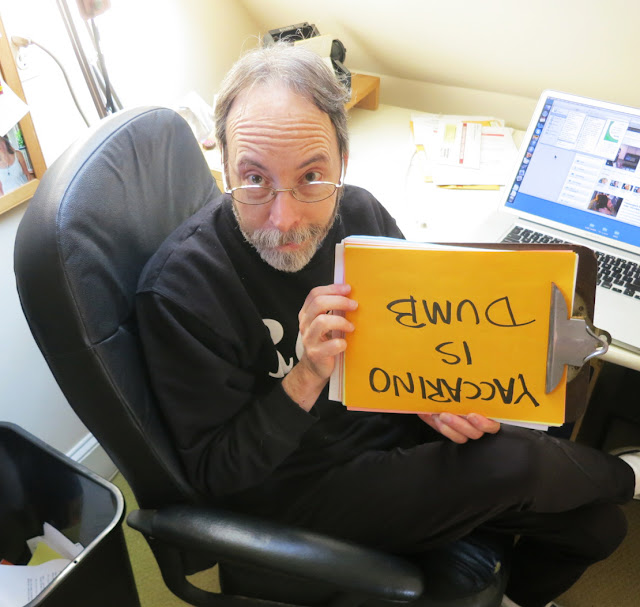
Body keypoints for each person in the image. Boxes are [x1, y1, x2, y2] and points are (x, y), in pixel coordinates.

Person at [136, 43, 640, 607]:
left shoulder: (358, 214)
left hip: (383, 430)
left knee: (599, 529)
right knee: (515, 462)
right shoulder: (180, 292)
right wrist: (306, 374)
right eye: (253, 179)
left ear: (342, 163)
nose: (285, 217)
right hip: (294, 487)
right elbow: (215, 474)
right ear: (224, 163)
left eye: (312, 176)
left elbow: (414, 339)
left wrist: (431, 395)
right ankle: (629, 478)